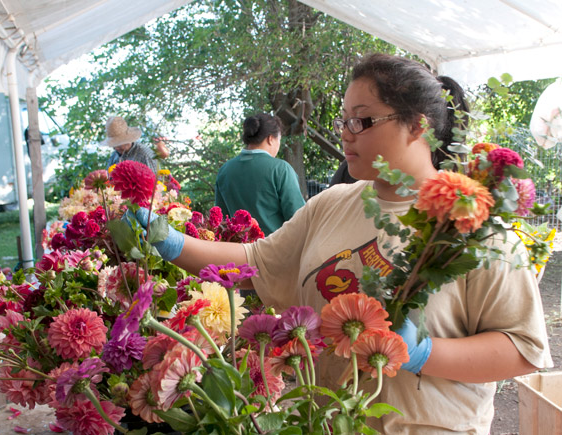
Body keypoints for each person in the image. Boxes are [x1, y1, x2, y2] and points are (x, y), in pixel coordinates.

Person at [135, 53, 552, 433]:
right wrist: (168, 240)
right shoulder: (332, 204)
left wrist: (423, 352)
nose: (347, 134)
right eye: (344, 120)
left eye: (363, 120)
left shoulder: (473, 224)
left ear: (417, 125)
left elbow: (522, 348)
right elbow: (253, 262)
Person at [214, 113, 305, 235]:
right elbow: (299, 219)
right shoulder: (280, 169)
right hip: (275, 250)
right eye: (279, 139)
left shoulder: (224, 171)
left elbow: (221, 221)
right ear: (270, 139)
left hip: (238, 251)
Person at [102, 116, 169, 171]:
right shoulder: (114, 155)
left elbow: (156, 182)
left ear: (127, 139)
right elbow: (108, 179)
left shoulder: (145, 154)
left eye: (118, 144)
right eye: (113, 145)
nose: (116, 148)